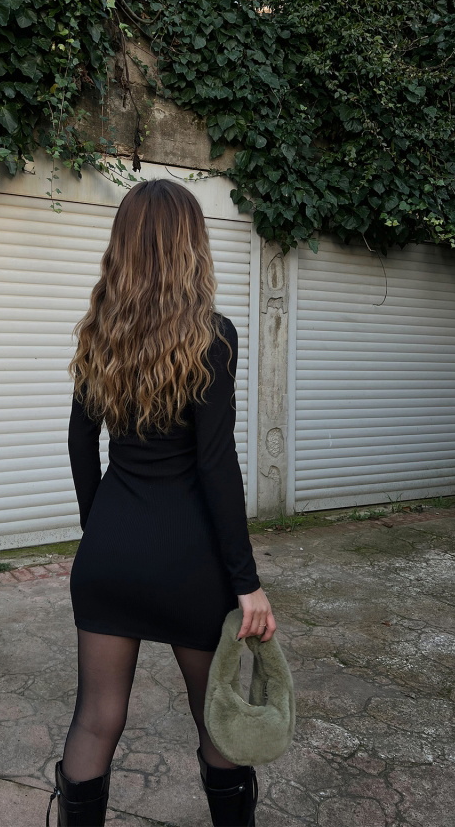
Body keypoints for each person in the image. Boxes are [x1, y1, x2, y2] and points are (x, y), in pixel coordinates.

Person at [46, 178, 276, 827]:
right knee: (218, 722)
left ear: (122, 246)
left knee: (96, 719)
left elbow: (80, 444)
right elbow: (215, 465)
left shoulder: (99, 334)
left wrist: (101, 531)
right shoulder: (214, 337)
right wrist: (247, 583)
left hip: (110, 556)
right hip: (188, 565)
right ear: (189, 246)